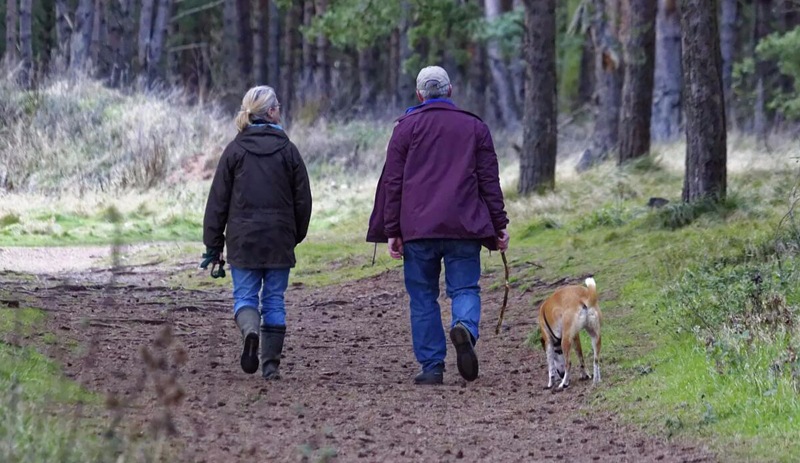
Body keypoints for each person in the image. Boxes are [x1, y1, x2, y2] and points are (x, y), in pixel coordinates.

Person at [367, 66, 510, 385]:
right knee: (464, 288)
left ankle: (432, 366)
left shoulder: (404, 129)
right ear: (450, 91)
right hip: (464, 227)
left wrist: (392, 230)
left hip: (418, 230)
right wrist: (499, 224)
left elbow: (393, 182)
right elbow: (489, 181)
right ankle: (465, 330)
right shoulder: (474, 127)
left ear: (419, 95)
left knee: (422, 297)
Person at [202, 85, 312, 380]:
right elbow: (304, 200)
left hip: (243, 240)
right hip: (279, 239)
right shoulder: (289, 151)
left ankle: (250, 332)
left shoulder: (235, 150)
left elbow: (217, 202)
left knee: (245, 298)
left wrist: (213, 246)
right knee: (274, 300)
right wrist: (295, 235)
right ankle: (270, 364)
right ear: (272, 112)